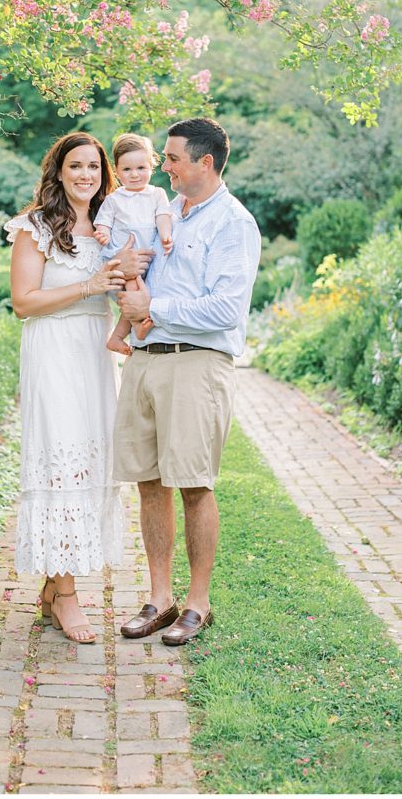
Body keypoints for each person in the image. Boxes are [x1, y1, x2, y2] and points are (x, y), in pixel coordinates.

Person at [113, 117, 261, 646]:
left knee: (194, 485)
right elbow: (139, 282)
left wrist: (154, 305)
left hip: (198, 364)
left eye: (172, 158)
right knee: (149, 482)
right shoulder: (165, 212)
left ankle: (197, 603)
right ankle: (160, 598)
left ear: (205, 162)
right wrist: (126, 286)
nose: (163, 166)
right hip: (146, 359)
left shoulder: (233, 224)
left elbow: (226, 309)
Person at [5, 132, 127, 644]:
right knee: (60, 460)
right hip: (53, 349)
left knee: (90, 462)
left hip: (94, 353)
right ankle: (69, 595)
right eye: (75, 166)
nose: (85, 176)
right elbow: (24, 302)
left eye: (94, 168)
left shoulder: (110, 227)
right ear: (58, 172)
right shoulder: (35, 226)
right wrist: (88, 285)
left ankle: (55, 590)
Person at [93, 133, 173, 356]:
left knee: (143, 291)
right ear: (117, 171)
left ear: (151, 167)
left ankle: (117, 337)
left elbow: (163, 217)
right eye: (127, 170)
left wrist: (166, 235)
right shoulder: (114, 199)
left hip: (149, 257)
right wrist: (102, 234)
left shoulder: (157, 194)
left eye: (141, 168)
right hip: (124, 255)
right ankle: (137, 327)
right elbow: (103, 222)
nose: (135, 174)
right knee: (132, 287)